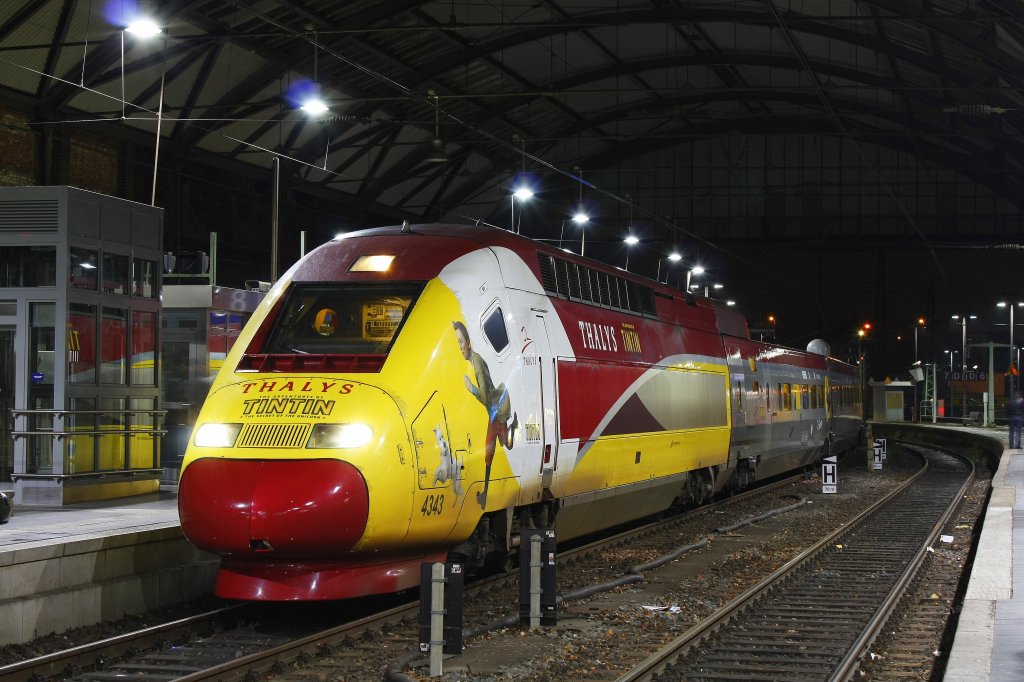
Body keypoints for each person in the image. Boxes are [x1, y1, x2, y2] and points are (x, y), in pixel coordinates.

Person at [453, 320, 518, 507]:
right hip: (494, 410)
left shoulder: (478, 363)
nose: (459, 347)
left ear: (468, 342)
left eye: (460, 342)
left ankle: (485, 496)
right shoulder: (474, 361)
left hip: (496, 408)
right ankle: (485, 495)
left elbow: (485, 395)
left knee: (495, 448)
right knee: (497, 446)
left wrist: (470, 388)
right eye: (457, 342)